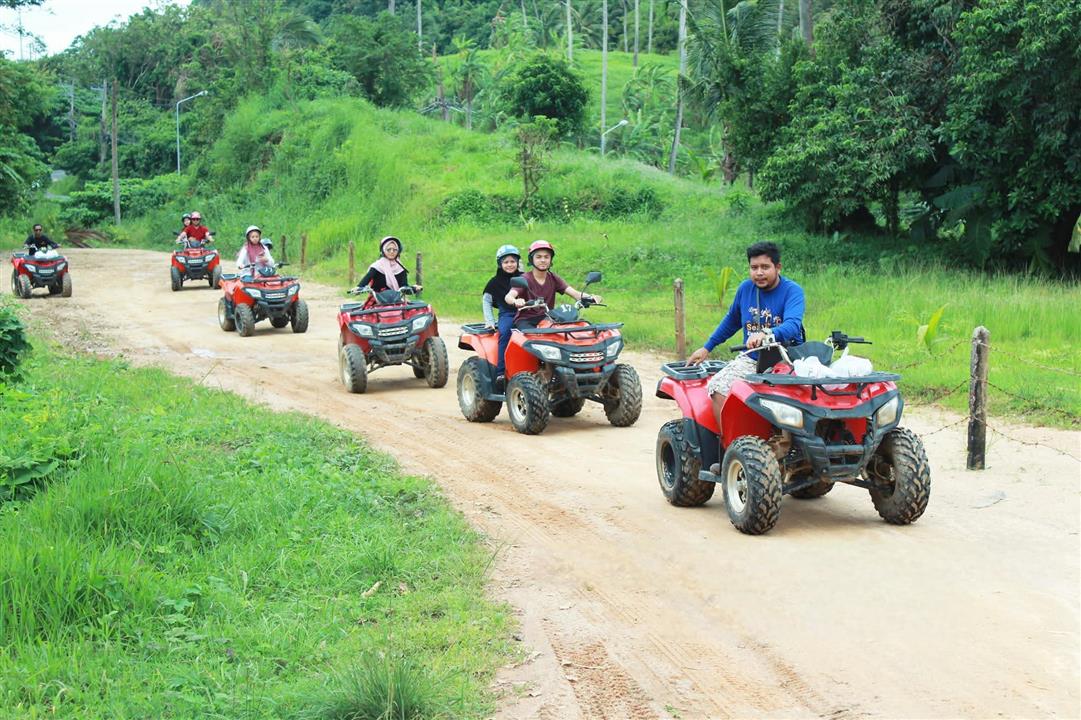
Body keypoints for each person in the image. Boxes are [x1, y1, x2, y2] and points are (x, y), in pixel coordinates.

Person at [688, 241, 805, 409]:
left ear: (778, 267)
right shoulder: (745, 289)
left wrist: (766, 333)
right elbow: (732, 320)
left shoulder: (792, 291)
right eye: (754, 267)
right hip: (752, 359)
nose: (759, 273)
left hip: (787, 361)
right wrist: (707, 347)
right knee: (718, 389)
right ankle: (731, 428)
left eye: (765, 267)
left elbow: (793, 325)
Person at [505, 240, 601, 329]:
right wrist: (516, 301)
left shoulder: (553, 278)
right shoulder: (525, 278)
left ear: (551, 259)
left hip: (548, 318)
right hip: (527, 320)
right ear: (531, 259)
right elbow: (509, 296)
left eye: (546, 257)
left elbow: (575, 294)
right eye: (538, 257)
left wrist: (591, 297)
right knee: (531, 338)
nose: (543, 260)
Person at [482, 244, 523, 382]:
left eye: (513, 261)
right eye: (506, 262)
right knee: (505, 333)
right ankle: (501, 372)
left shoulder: (525, 277)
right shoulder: (494, 282)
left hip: (526, 313)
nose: (510, 265)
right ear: (500, 264)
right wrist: (489, 321)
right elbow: (486, 300)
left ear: (518, 262)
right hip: (507, 314)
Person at [355, 236, 422, 294]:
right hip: (378, 300)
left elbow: (404, 288)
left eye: (394, 250)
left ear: (398, 251)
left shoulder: (401, 268)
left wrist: (414, 288)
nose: (392, 252)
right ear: (383, 250)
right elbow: (365, 281)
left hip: (395, 300)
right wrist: (358, 288)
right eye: (388, 249)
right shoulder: (377, 266)